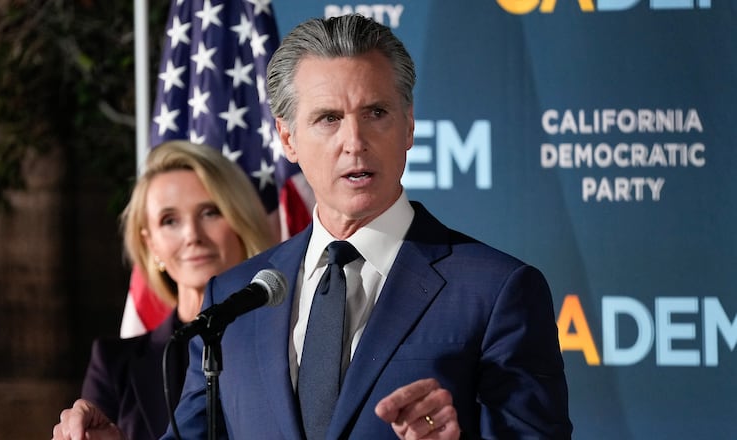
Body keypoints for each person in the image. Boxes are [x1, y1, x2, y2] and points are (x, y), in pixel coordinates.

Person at [53, 14, 572, 440]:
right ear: (288, 139)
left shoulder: (496, 290)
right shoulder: (234, 298)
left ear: (409, 124)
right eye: (328, 118)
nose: (355, 141)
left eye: (376, 113)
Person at [65, 140, 276, 440]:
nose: (192, 235)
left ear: (241, 220)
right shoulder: (114, 365)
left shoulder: (289, 340)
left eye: (210, 212)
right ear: (151, 244)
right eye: (170, 220)